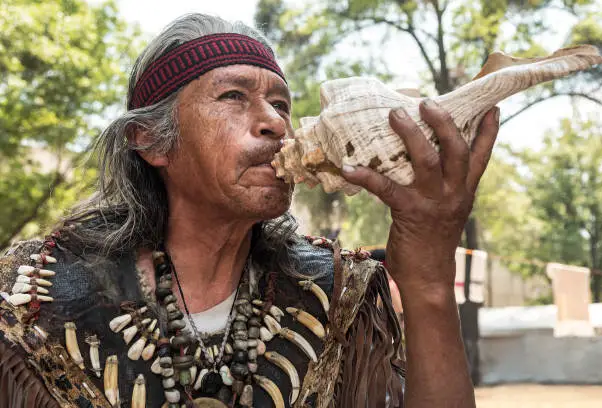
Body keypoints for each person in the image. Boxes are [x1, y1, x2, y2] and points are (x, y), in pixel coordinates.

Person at [0, 13, 499, 408]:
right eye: (234, 96)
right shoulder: (33, 297)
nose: (275, 124)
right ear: (150, 140)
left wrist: (429, 278)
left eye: (281, 104)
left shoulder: (338, 293)